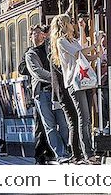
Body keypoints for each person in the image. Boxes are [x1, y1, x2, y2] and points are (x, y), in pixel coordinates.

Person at [50, 14, 98, 164]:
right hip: (74, 83)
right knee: (83, 117)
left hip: (83, 81)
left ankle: (87, 152)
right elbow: (78, 54)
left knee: (87, 118)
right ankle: (87, 153)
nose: (72, 24)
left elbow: (84, 57)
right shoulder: (61, 41)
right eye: (70, 22)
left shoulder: (72, 40)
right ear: (64, 25)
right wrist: (95, 45)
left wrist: (96, 55)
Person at [25, 25, 69, 164]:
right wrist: (56, 77)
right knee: (49, 125)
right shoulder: (30, 54)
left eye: (39, 33)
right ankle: (60, 153)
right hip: (42, 93)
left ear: (44, 35)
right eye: (34, 33)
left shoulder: (51, 49)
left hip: (57, 92)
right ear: (30, 36)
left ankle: (69, 150)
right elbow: (37, 72)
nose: (37, 35)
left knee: (63, 123)